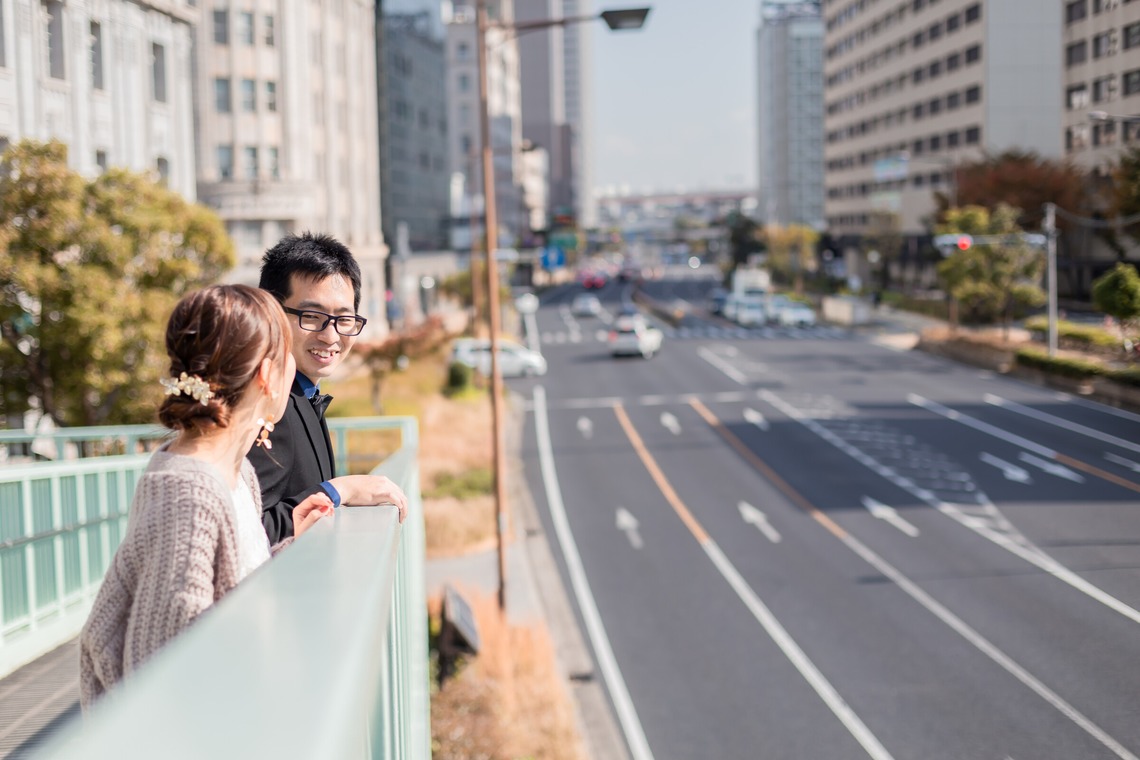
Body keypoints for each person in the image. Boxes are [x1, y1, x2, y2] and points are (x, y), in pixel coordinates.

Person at [78, 285, 332, 708]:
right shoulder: (188, 494)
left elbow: (227, 590)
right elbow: (163, 673)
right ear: (267, 376)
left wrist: (291, 544)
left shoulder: (236, 472)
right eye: (287, 354)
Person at [250, 232, 408, 545]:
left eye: (344, 319)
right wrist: (339, 491)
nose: (331, 336)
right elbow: (251, 528)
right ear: (272, 314)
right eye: (312, 316)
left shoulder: (301, 393)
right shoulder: (267, 403)